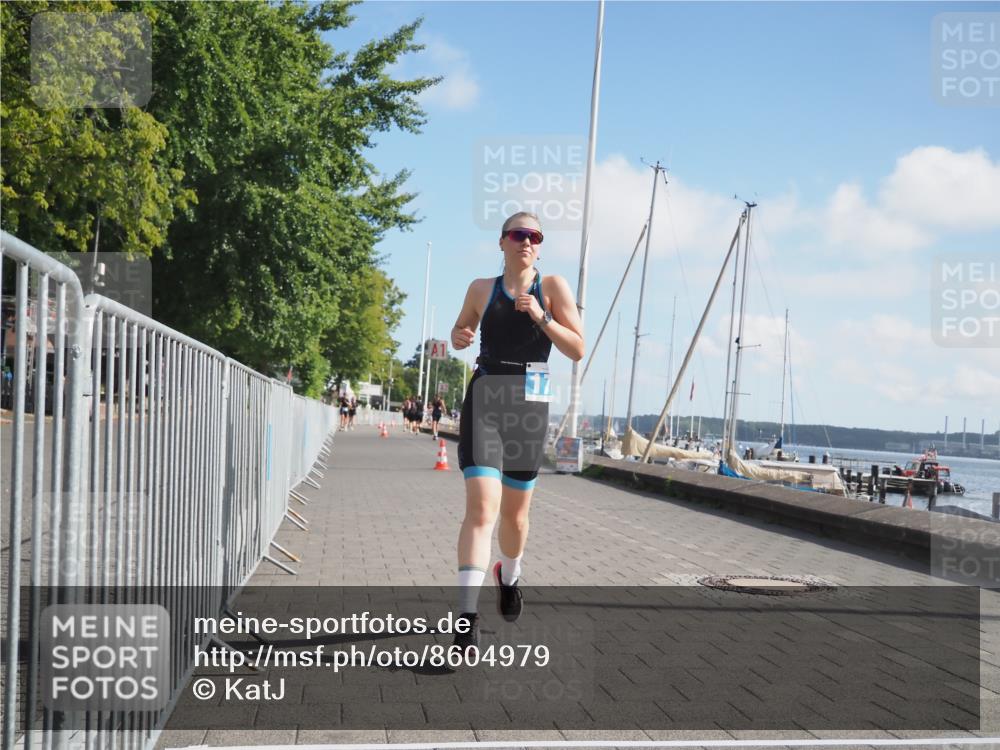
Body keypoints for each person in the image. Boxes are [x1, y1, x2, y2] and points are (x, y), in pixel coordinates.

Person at [449, 211, 584, 653]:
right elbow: (460, 328)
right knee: (481, 510)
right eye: (519, 234)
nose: (527, 241)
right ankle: (465, 620)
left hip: (531, 401)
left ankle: (510, 576)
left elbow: (577, 348)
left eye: (535, 236)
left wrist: (543, 318)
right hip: (487, 396)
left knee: (515, 517)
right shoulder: (481, 288)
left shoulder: (553, 287)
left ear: (539, 247)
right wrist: (459, 336)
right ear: (502, 241)